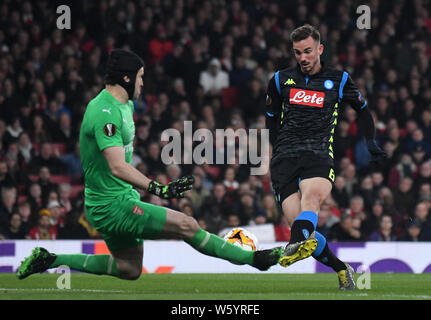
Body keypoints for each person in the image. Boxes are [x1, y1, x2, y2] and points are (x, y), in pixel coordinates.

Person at [17, 49, 281, 281]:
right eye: (141, 76)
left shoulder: (124, 105)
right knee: (187, 224)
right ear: (127, 78)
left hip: (117, 198)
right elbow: (117, 167)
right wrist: (160, 189)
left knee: (128, 269)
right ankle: (254, 260)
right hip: (111, 205)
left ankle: (50, 259)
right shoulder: (104, 112)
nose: (143, 83)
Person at [265, 25, 386, 290]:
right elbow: (271, 119)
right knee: (302, 228)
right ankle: (341, 268)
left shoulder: (339, 79)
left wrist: (370, 141)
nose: (303, 58)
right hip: (285, 159)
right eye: (298, 53)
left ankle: (293, 245)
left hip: (318, 154)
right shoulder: (279, 80)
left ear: (319, 49)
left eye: (308, 51)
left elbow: (363, 111)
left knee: (313, 198)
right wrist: (278, 151)